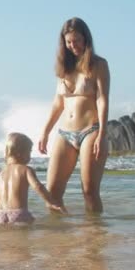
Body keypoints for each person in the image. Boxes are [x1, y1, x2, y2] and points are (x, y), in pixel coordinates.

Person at [38, 17, 110, 213]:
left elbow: (102, 99)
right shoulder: (64, 68)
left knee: (89, 191)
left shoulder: (99, 64)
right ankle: (60, 239)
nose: (73, 45)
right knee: (52, 193)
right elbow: (58, 103)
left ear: (86, 39)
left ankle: (94, 237)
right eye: (68, 42)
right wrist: (45, 132)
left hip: (91, 130)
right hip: (65, 133)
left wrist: (102, 134)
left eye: (76, 40)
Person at [0, 133, 65, 224]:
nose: (30, 156)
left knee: (3, 237)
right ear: (20, 153)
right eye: (29, 152)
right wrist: (51, 202)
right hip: (18, 213)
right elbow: (38, 186)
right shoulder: (26, 169)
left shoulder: (2, 173)